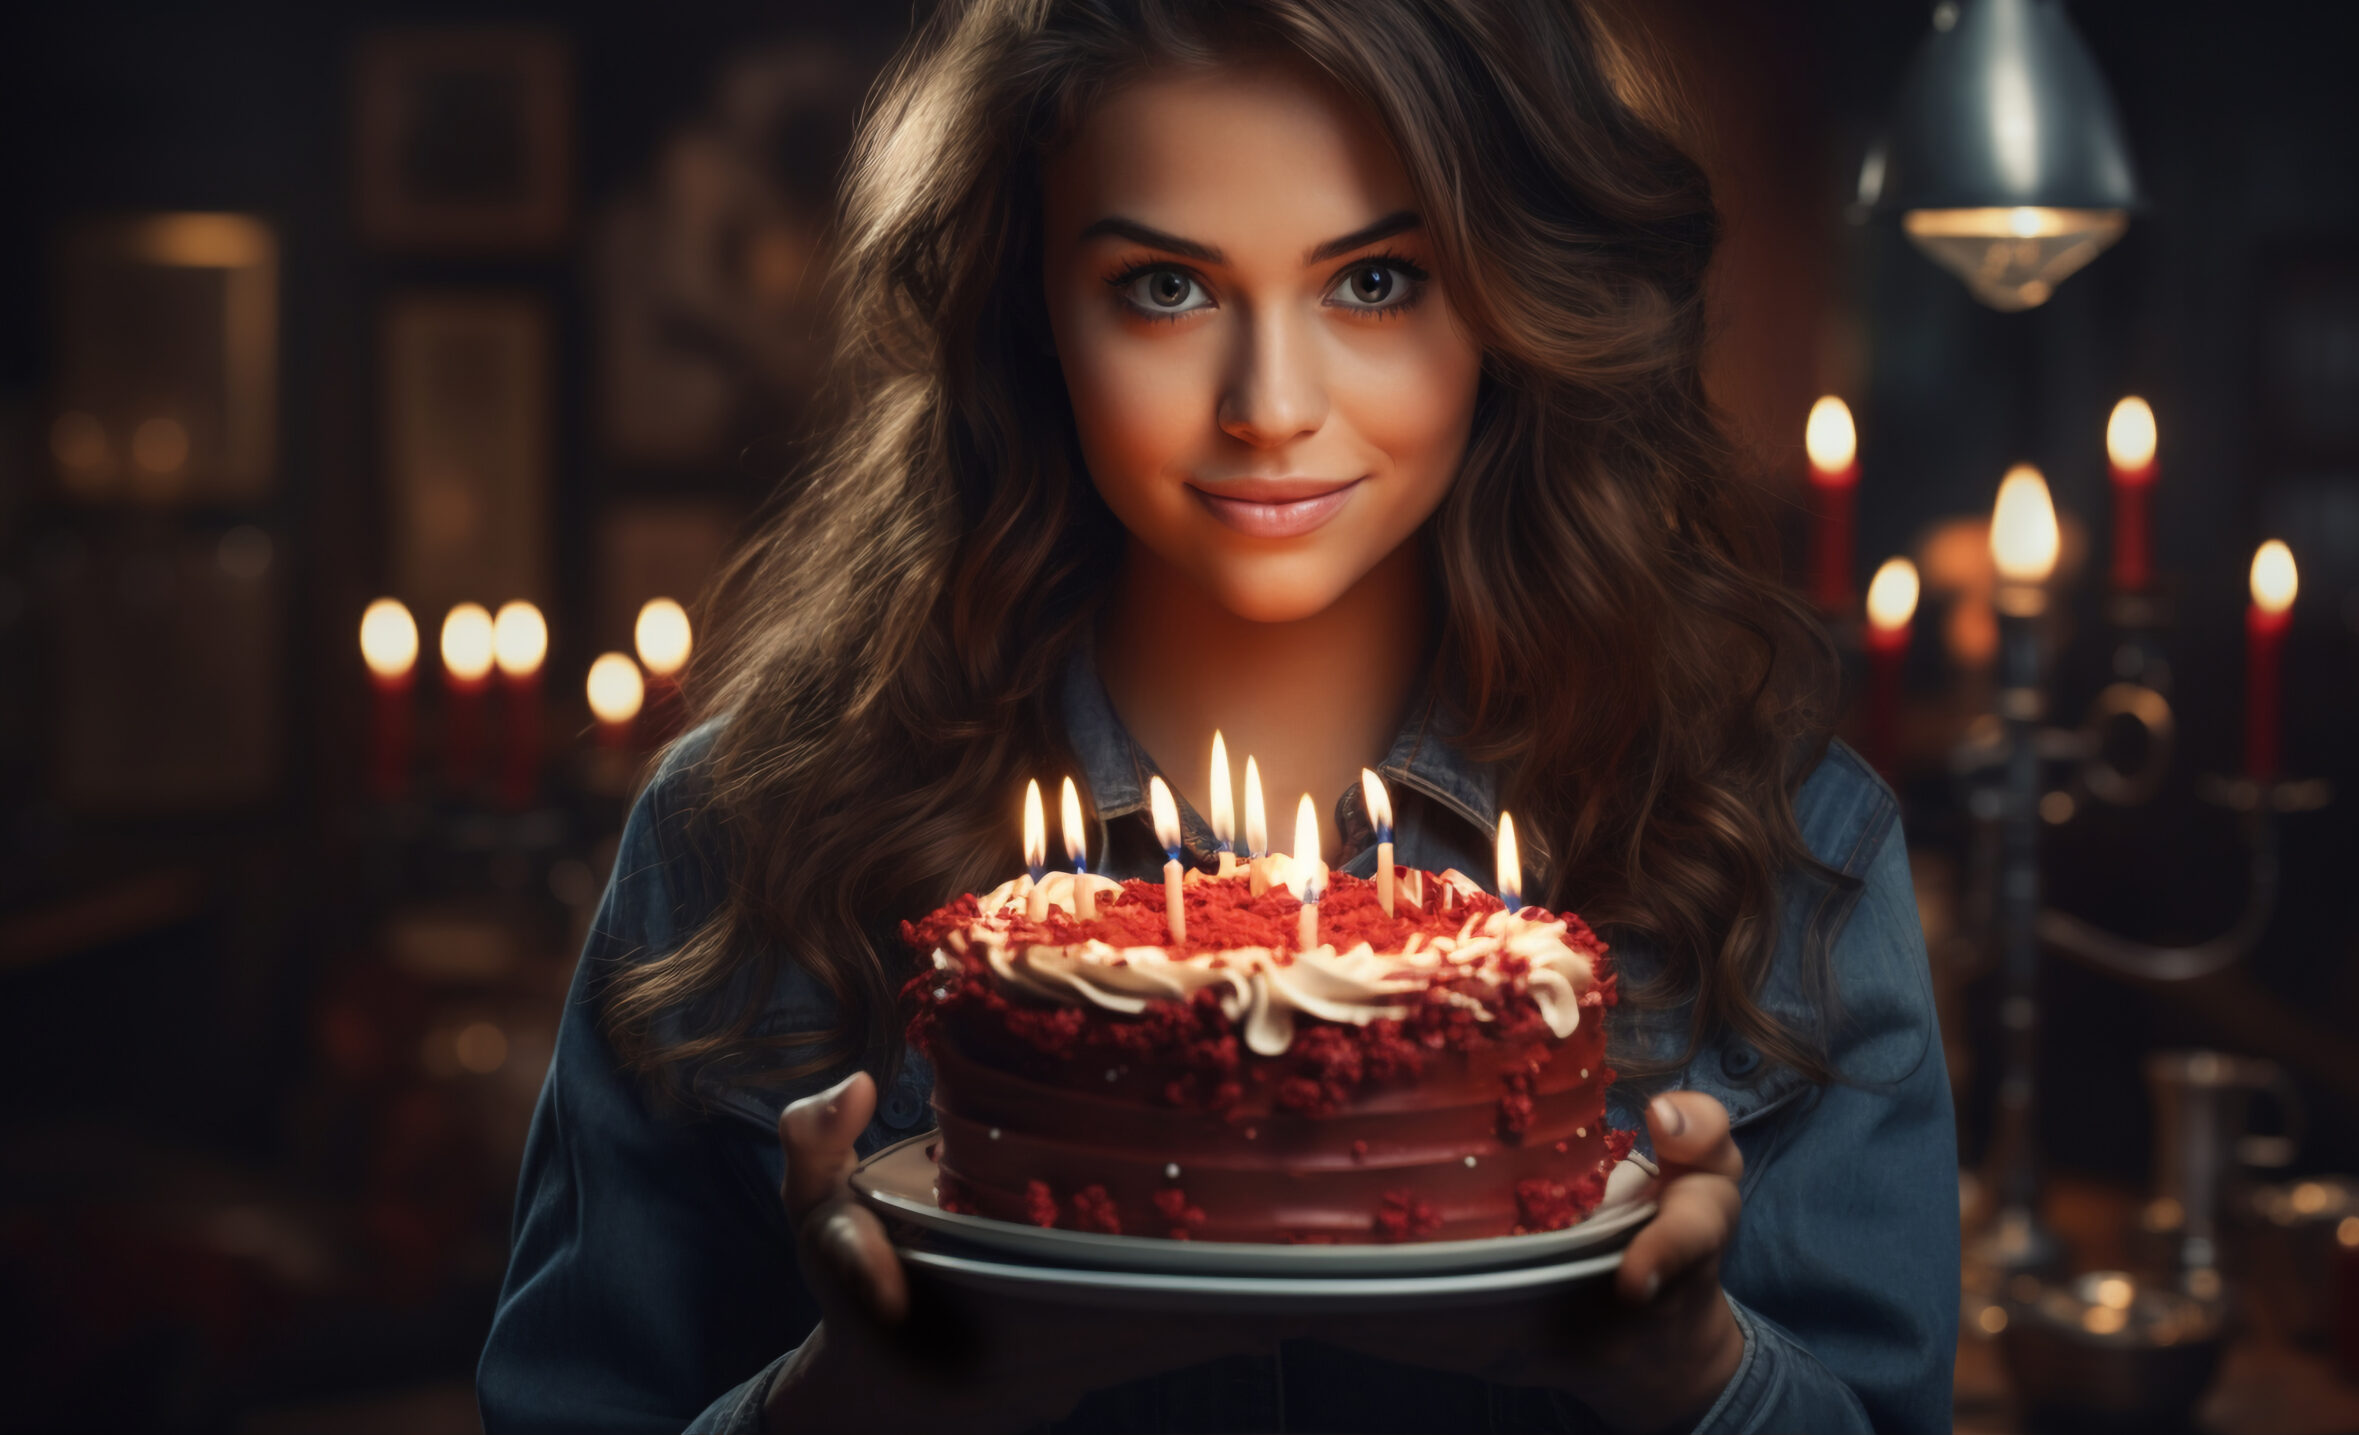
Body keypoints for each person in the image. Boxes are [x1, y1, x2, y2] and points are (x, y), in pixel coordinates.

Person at [478, 0, 1957, 1430]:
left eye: (1374, 280)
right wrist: (854, 1408)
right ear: (1032, 308)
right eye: (1165, 286)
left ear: (1515, 300)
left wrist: (1688, 1376)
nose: (1269, 402)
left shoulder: (1785, 851)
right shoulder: (739, 844)